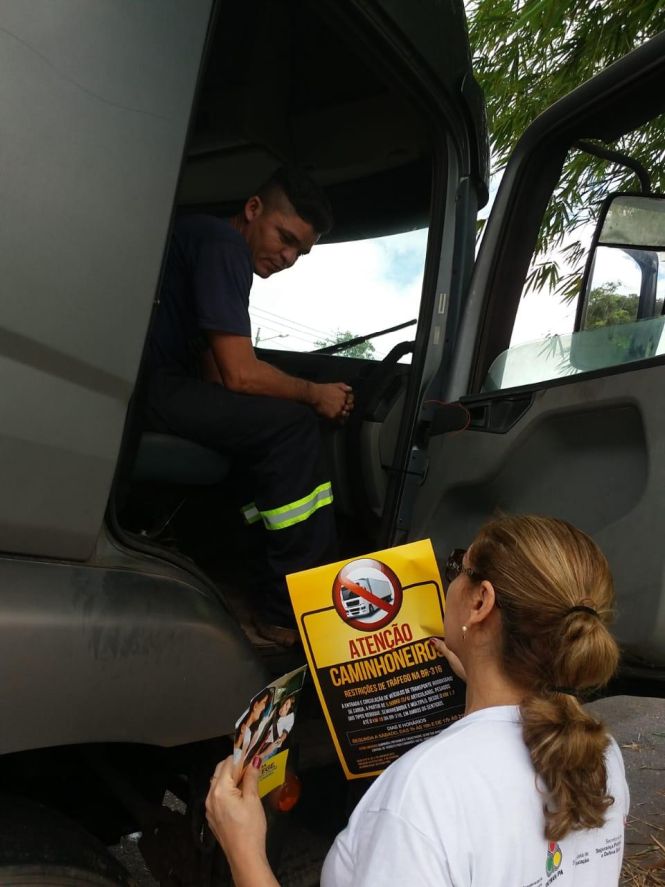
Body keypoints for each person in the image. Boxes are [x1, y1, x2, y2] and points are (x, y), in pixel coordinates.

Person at [205, 514, 630, 886]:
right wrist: (480, 675)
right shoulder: (602, 753)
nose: (451, 581)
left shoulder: (424, 793)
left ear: (481, 602)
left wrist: (244, 852)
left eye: (457, 568)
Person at [144, 166, 354, 646]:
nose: (288, 256)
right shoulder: (223, 245)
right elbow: (239, 372)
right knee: (295, 428)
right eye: (285, 238)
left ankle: (229, 567)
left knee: (260, 429)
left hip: (162, 386)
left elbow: (218, 373)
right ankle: (289, 613)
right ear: (253, 209)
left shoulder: (207, 242)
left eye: (300, 251)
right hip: (154, 388)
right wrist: (314, 394)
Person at [232, 688, 274, 782]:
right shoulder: (244, 731)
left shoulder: (250, 733)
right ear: (255, 705)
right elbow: (238, 775)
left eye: (266, 704)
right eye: (264, 702)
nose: (264, 708)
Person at [256, 694, 296, 762]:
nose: (283, 708)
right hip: (265, 741)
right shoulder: (276, 709)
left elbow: (284, 735)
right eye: (285, 703)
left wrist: (281, 739)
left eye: (286, 708)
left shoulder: (290, 718)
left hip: (271, 749)